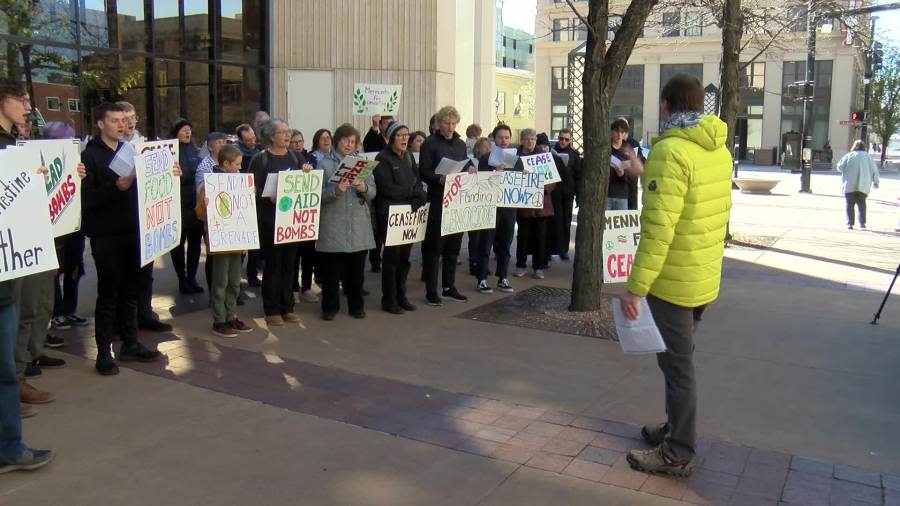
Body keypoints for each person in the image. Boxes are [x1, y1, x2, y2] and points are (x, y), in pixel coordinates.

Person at [621, 74, 733, 477]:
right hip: (702, 276)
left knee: (677, 366)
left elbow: (658, 230)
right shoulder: (716, 148)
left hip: (673, 280)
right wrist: (644, 172)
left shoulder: (671, 150)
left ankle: (678, 450)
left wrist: (636, 288)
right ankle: (674, 429)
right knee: (676, 363)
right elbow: (691, 201)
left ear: (667, 106)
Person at [82, 102, 168, 376]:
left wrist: (167, 174)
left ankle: (130, 343)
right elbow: (86, 199)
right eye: (115, 120)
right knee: (109, 293)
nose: (122, 125)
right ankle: (104, 353)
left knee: (131, 291)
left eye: (124, 120)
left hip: (134, 231)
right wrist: (114, 187)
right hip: (106, 235)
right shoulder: (89, 156)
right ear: (100, 124)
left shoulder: (131, 150)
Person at [0, 77, 54, 473]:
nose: (25, 105)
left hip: (8, 276)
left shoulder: (13, 148)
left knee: (4, 372)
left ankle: (10, 446)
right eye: (18, 98)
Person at [251, 119, 311, 326]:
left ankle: (288, 306)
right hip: (270, 221)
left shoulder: (295, 156)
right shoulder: (261, 160)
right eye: (282, 132)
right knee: (273, 265)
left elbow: (303, 184)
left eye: (289, 132)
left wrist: (307, 173)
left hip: (292, 222)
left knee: (290, 264)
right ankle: (272, 309)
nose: (287, 135)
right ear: (271, 136)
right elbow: (251, 188)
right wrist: (267, 197)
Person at [316, 123, 377, 320]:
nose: (349, 145)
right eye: (346, 141)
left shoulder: (362, 163)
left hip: (358, 224)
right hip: (332, 224)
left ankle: (356, 306)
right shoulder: (324, 164)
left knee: (356, 272)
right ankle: (329, 308)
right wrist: (336, 190)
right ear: (337, 141)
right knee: (331, 273)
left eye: (353, 142)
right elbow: (317, 196)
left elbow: (373, 192)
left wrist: (362, 187)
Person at [195, 144, 254, 338]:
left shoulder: (240, 183)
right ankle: (219, 319)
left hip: (236, 239)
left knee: (234, 280)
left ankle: (231, 315)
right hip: (220, 239)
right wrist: (205, 206)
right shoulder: (209, 184)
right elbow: (200, 214)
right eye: (237, 164)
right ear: (226, 164)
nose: (239, 168)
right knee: (221, 281)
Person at [373, 122, 427, 314]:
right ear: (391, 138)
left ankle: (401, 295)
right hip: (390, 214)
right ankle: (389, 299)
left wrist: (419, 193)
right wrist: (412, 193)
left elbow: (417, 179)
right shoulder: (382, 158)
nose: (404, 139)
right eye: (400, 135)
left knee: (405, 258)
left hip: (409, 215)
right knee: (391, 259)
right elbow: (386, 188)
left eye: (406, 135)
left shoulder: (410, 156)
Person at [419, 106, 469, 306]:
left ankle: (449, 286)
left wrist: (470, 168)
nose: (450, 127)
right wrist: (438, 179)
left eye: (453, 123)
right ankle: (431, 291)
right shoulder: (430, 144)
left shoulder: (460, 144)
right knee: (434, 249)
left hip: (455, 201)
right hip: (438, 200)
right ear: (439, 124)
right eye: (446, 123)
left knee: (453, 248)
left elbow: (464, 165)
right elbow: (423, 171)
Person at [474, 125, 516, 293]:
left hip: (508, 207)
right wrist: (495, 172)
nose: (504, 140)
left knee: (506, 243)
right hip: (490, 206)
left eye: (507, 137)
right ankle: (482, 279)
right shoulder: (485, 159)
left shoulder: (516, 159)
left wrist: (525, 174)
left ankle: (503, 277)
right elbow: (481, 182)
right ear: (494, 139)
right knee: (486, 243)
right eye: (500, 137)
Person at [513, 131, 556, 279]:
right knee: (523, 236)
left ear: (536, 140)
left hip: (541, 204)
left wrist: (543, 188)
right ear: (522, 140)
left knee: (541, 236)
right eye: (527, 139)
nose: (530, 142)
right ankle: (520, 265)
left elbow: (552, 180)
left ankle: (538, 267)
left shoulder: (544, 157)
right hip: (524, 203)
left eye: (533, 139)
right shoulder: (515, 157)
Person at [170, 119, 204, 295]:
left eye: (189, 130)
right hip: (178, 205)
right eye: (184, 130)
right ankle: (181, 278)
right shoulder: (170, 151)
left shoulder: (197, 151)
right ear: (176, 132)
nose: (187, 133)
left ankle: (192, 277)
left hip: (194, 204)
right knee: (178, 244)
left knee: (195, 244)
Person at [837, 140, 880, 230]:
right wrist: (876, 182)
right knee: (862, 204)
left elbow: (840, 167)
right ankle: (862, 224)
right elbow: (875, 171)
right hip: (863, 185)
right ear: (864, 147)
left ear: (854, 146)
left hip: (849, 184)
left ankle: (850, 223)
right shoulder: (869, 157)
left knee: (849, 204)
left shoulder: (849, 155)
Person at [551, 128, 580, 259]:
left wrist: (578, 195)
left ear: (570, 140)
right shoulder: (551, 152)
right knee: (552, 221)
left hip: (568, 192)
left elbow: (578, 176)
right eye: (561, 138)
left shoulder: (574, 154)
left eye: (566, 139)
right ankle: (551, 250)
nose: (563, 141)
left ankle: (564, 250)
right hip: (553, 191)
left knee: (566, 222)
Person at [607, 117, 644, 210]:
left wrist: (622, 174)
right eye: (617, 131)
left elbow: (637, 170)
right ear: (612, 132)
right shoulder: (606, 148)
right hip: (607, 192)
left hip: (622, 193)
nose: (619, 135)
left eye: (622, 132)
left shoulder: (628, 148)